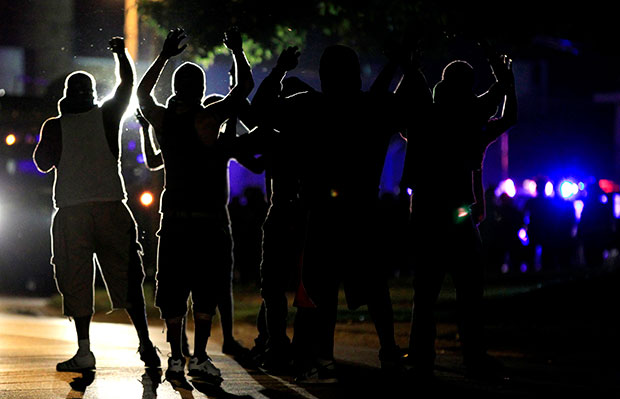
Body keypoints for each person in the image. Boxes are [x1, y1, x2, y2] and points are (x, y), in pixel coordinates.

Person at [251, 43, 426, 383]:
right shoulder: (374, 107)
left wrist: (279, 70)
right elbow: (416, 104)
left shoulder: (308, 107)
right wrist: (406, 66)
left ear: (324, 75)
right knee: (376, 288)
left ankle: (322, 357)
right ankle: (389, 351)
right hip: (363, 210)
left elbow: (260, 110)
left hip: (322, 213)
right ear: (357, 72)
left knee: (320, 290)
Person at [33, 36, 160, 372]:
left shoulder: (56, 125)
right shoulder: (106, 117)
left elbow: (42, 163)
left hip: (72, 212)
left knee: (75, 280)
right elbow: (127, 85)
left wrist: (51, 132)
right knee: (129, 276)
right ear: (92, 96)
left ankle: (85, 350)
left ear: (64, 98)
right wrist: (120, 53)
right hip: (111, 208)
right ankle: (146, 345)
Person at [136, 27, 254, 386]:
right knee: (207, 290)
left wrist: (163, 56)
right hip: (210, 223)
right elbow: (244, 88)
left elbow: (142, 94)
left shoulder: (167, 122)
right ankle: (200, 357)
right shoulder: (210, 117)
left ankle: (175, 357)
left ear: (175, 89)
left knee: (172, 292)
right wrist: (237, 49)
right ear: (201, 90)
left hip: (173, 222)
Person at [401, 47, 517, 382]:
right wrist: (502, 76)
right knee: (469, 292)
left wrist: (409, 71)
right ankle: (473, 355)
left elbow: (404, 116)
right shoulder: (473, 121)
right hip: (460, 215)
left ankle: (421, 354)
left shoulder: (425, 120)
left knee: (425, 293)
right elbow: (507, 113)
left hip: (425, 215)